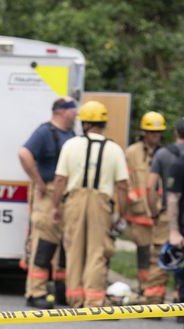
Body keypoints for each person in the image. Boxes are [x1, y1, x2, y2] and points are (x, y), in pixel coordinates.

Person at [51, 100, 129, 308]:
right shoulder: (114, 149)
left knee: (73, 250)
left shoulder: (71, 145)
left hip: (74, 200)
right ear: (103, 124)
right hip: (101, 202)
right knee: (97, 251)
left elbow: (60, 180)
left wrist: (55, 207)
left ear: (85, 124)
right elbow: (122, 185)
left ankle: (75, 298)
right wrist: (122, 214)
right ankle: (94, 300)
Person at [18, 97, 77, 309]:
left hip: (64, 194)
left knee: (63, 244)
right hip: (48, 192)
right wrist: (38, 182)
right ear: (61, 111)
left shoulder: (69, 134)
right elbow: (24, 153)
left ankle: (61, 290)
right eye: (72, 109)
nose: (76, 113)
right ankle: (35, 292)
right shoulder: (45, 132)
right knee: (44, 244)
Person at [124, 112, 166, 303]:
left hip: (159, 214)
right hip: (139, 212)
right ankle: (144, 288)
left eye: (158, 132)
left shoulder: (165, 154)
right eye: (151, 132)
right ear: (144, 132)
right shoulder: (132, 152)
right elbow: (126, 179)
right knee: (143, 253)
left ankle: (153, 293)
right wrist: (131, 199)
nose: (154, 136)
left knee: (155, 255)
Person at [152, 118, 184, 304]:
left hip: (172, 217)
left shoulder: (163, 154)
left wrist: (153, 210)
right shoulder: (178, 162)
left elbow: (152, 187)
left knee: (165, 258)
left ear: (175, 133)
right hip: (177, 220)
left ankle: (155, 300)